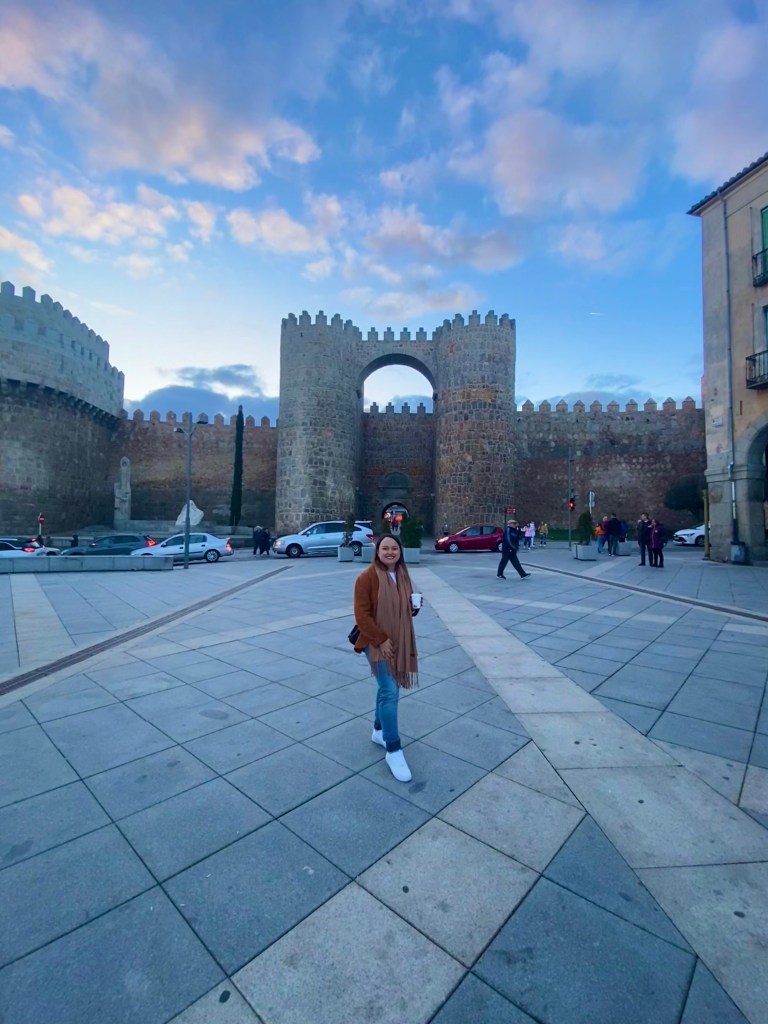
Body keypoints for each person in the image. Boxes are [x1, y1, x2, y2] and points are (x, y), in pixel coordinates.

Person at [353, 534, 420, 783]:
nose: (390, 552)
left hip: (400, 639)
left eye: (394, 548)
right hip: (376, 641)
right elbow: (362, 616)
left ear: (400, 552)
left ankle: (378, 730)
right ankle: (393, 749)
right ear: (378, 552)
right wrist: (381, 639)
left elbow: (405, 608)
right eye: (385, 548)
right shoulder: (366, 578)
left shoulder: (402, 575)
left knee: (386, 690)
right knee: (390, 691)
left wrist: (414, 607)